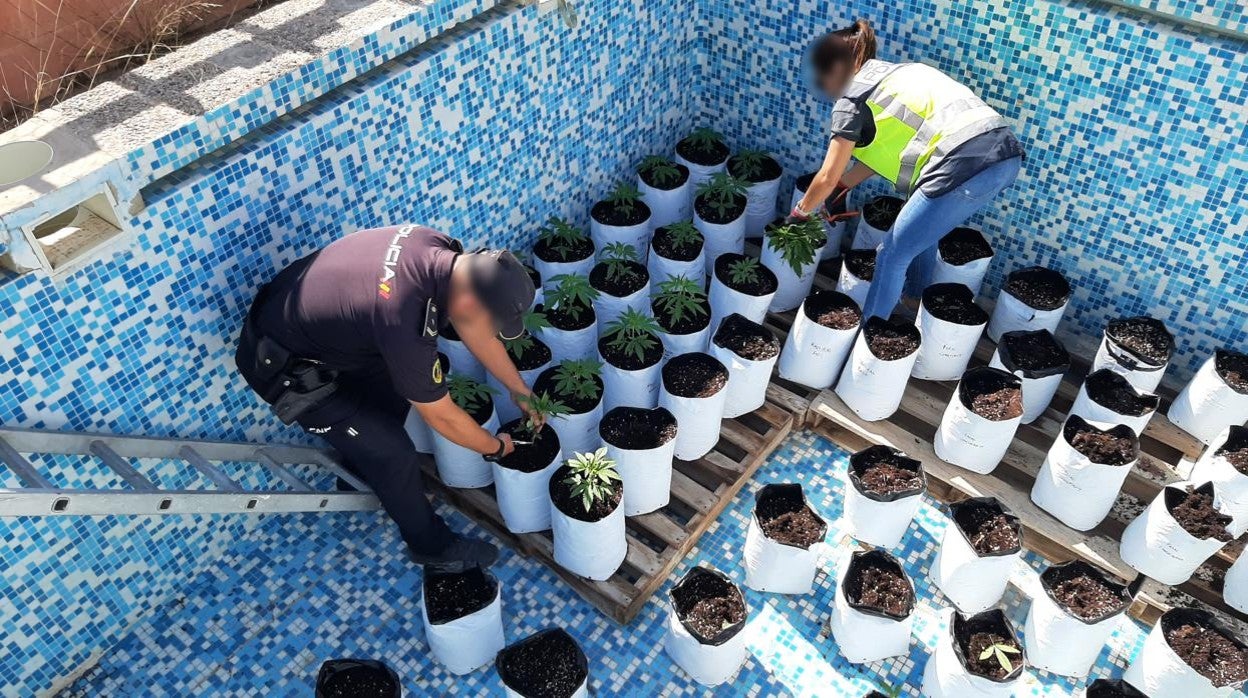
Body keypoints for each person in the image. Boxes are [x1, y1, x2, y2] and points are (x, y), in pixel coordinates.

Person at [235, 225, 541, 571]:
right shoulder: (405, 319)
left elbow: (472, 326)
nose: (490, 328)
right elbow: (442, 417)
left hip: (318, 334)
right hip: (283, 369)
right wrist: (495, 448)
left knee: (406, 389)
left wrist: (520, 390)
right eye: (493, 320)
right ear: (470, 299)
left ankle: (361, 466)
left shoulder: (440, 251)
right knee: (394, 453)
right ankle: (430, 545)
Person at [791, 19, 1024, 321]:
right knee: (916, 233)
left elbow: (826, 176)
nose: (826, 90)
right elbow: (880, 152)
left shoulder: (852, 98)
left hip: (962, 165)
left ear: (835, 70)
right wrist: (844, 186)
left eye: (823, 80)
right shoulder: (901, 72)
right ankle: (913, 299)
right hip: (1003, 156)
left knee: (889, 255)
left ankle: (867, 336)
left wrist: (799, 214)